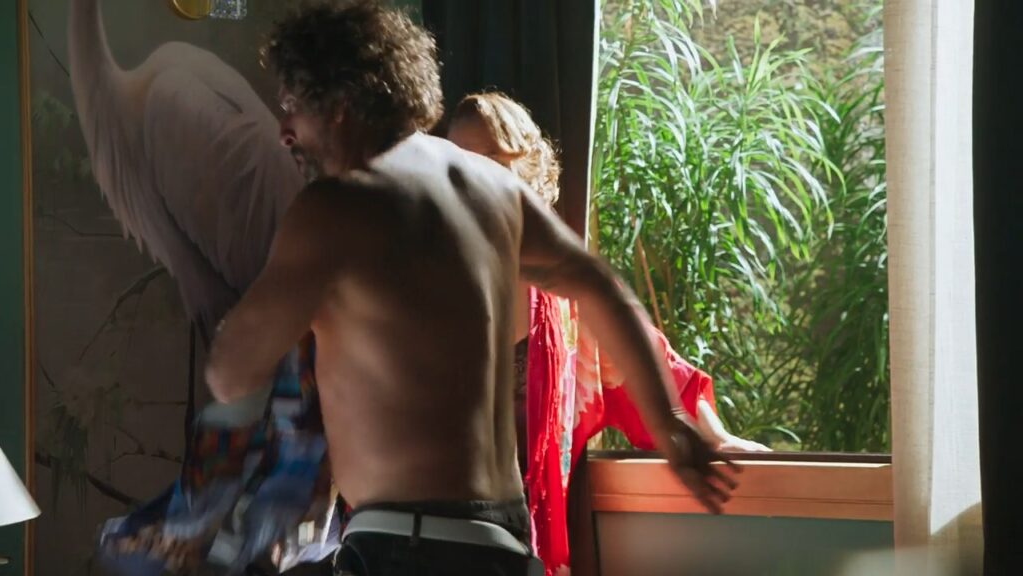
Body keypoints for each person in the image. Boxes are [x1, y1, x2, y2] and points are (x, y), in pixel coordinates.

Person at [205, 2, 738, 575]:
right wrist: (669, 422)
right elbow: (600, 285)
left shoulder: (334, 207)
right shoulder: (493, 188)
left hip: (405, 547)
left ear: (337, 107)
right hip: (503, 544)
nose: (284, 130)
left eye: (293, 106)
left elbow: (231, 373)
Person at [447, 91, 766, 574]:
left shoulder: (573, 307)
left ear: (529, 175)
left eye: (489, 159)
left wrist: (716, 438)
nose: (470, 176)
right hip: (427, 542)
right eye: (456, 163)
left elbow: (658, 368)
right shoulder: (424, 289)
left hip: (522, 546)